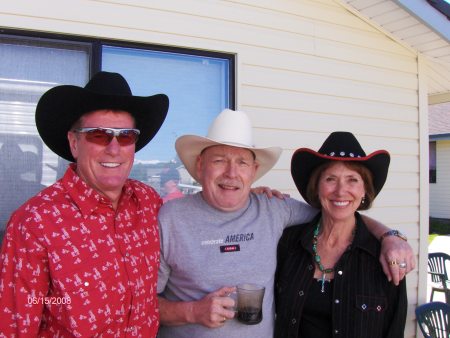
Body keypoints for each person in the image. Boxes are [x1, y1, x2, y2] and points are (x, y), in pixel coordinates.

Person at [156, 109, 414, 338]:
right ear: (201, 165)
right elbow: (140, 306)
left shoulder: (275, 210)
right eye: (219, 160)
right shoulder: (169, 218)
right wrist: (192, 311)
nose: (231, 174)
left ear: (254, 170)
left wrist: (389, 235)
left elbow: (337, 209)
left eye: (242, 162)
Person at [0, 71, 169, 337]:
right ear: (74, 143)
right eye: (99, 135)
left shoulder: (149, 202)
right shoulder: (34, 221)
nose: (114, 148)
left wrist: (250, 196)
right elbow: (15, 325)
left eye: (125, 136)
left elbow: (197, 215)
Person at [274, 131, 407, 338]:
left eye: (352, 180)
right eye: (330, 179)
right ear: (317, 187)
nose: (340, 191)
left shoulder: (385, 256)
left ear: (365, 191)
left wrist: (390, 236)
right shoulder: (288, 243)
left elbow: (394, 330)